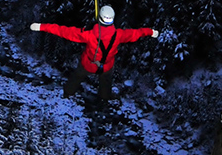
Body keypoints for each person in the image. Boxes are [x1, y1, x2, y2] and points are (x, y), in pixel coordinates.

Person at [30, 5, 158, 101]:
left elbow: (64, 31)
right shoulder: (119, 35)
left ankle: (68, 93)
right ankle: (104, 98)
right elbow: (137, 33)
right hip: (106, 66)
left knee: (76, 77)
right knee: (106, 81)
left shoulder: (89, 35)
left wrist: (42, 26)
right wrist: (151, 32)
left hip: (89, 64)